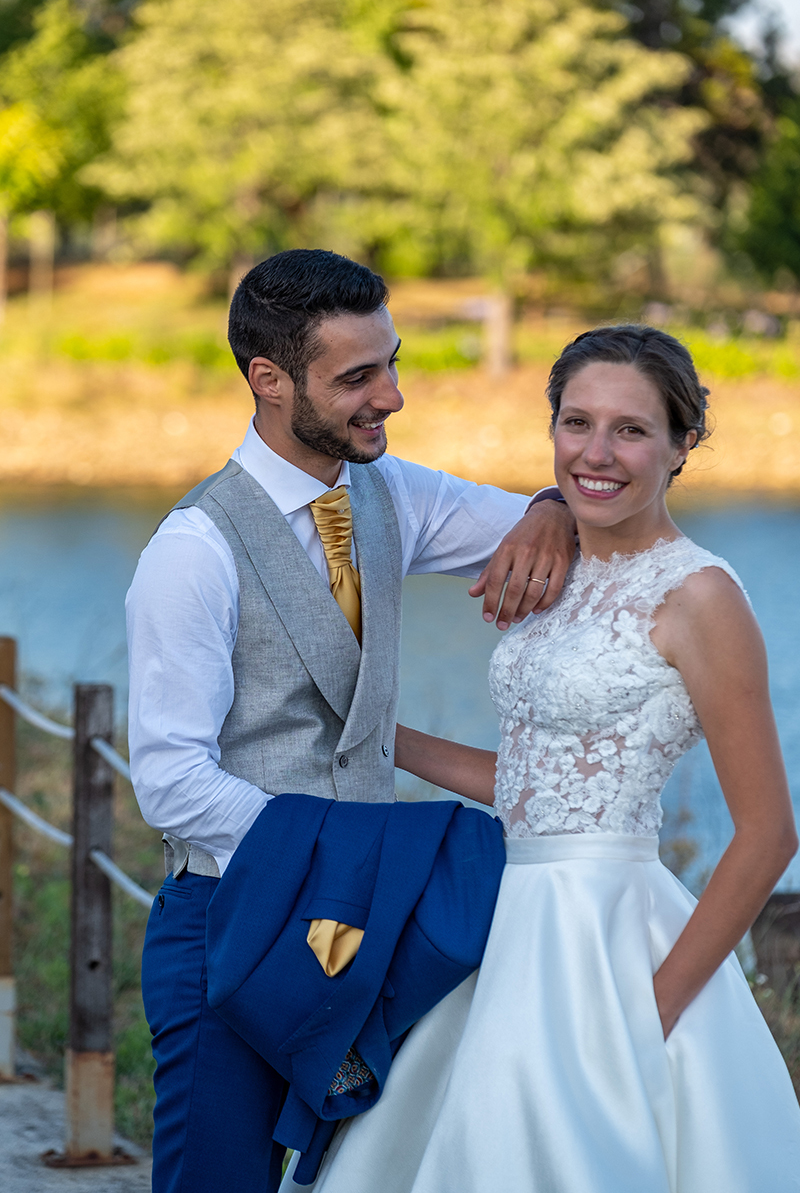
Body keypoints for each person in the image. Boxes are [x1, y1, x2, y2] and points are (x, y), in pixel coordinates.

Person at [282, 324, 800, 1193]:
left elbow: (767, 833)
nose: (596, 453)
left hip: (604, 941)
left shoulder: (701, 597)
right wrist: (374, 733)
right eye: (575, 423)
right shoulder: (561, 574)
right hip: (496, 920)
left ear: (682, 444)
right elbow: (531, 786)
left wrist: (654, 1006)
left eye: (631, 430)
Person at [126, 248, 576, 1193]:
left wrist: (550, 507)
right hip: (231, 923)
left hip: (370, 929)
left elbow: (569, 533)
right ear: (270, 380)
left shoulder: (391, 493)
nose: (393, 396)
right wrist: (345, 853)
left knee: (370, 1178)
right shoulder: (194, 550)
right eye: (358, 377)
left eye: (394, 363)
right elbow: (170, 782)